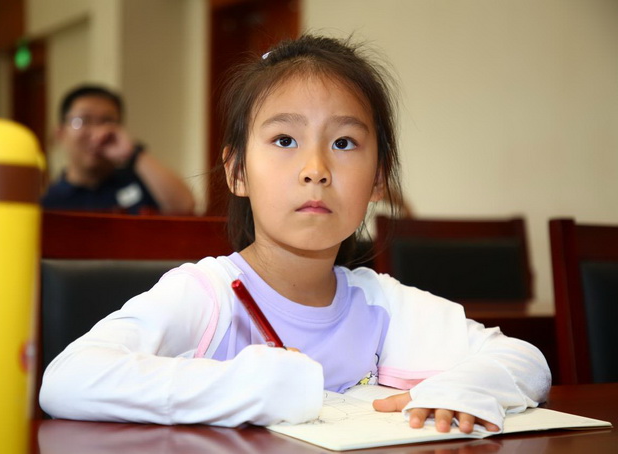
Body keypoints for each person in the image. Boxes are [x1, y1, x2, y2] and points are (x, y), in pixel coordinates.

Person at [40, 35, 550, 432]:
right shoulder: (207, 294)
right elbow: (68, 379)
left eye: (344, 143)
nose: (316, 169)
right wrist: (255, 385)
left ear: (378, 180)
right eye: (285, 139)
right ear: (237, 172)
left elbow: (525, 360)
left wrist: (462, 390)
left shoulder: (381, 304)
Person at [42, 85, 195, 215]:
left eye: (107, 121)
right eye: (84, 120)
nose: (98, 133)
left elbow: (185, 207)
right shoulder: (48, 201)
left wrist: (132, 153)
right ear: (60, 133)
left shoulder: (139, 182)